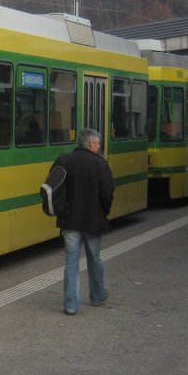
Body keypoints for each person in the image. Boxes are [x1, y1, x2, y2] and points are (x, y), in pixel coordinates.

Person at [54, 127, 115, 315]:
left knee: (71, 262)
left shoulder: (64, 160)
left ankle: (71, 305)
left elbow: (53, 187)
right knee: (94, 259)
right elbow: (107, 193)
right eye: (97, 144)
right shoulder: (100, 164)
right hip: (92, 221)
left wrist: (61, 210)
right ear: (91, 144)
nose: (98, 147)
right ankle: (97, 296)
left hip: (70, 221)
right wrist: (103, 212)